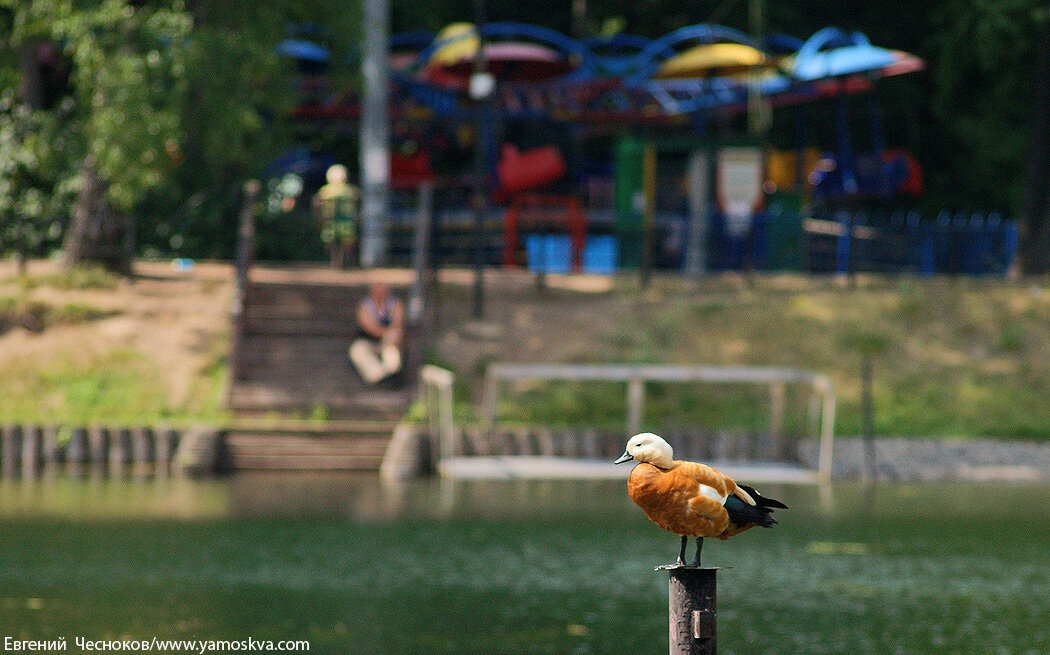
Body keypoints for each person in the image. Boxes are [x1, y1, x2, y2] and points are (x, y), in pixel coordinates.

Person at [348, 282, 404, 385]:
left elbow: (397, 323)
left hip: (387, 341)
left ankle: (392, 373)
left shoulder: (394, 304)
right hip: (368, 341)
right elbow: (368, 326)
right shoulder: (366, 305)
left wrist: (390, 334)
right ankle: (378, 377)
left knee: (392, 348)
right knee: (358, 350)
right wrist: (385, 333)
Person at [313, 164, 360, 268]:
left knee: (331, 242)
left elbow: (316, 202)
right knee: (347, 243)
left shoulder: (325, 190)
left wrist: (319, 216)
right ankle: (346, 261)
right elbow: (357, 201)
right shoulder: (350, 190)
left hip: (330, 222)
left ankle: (335, 261)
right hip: (347, 222)